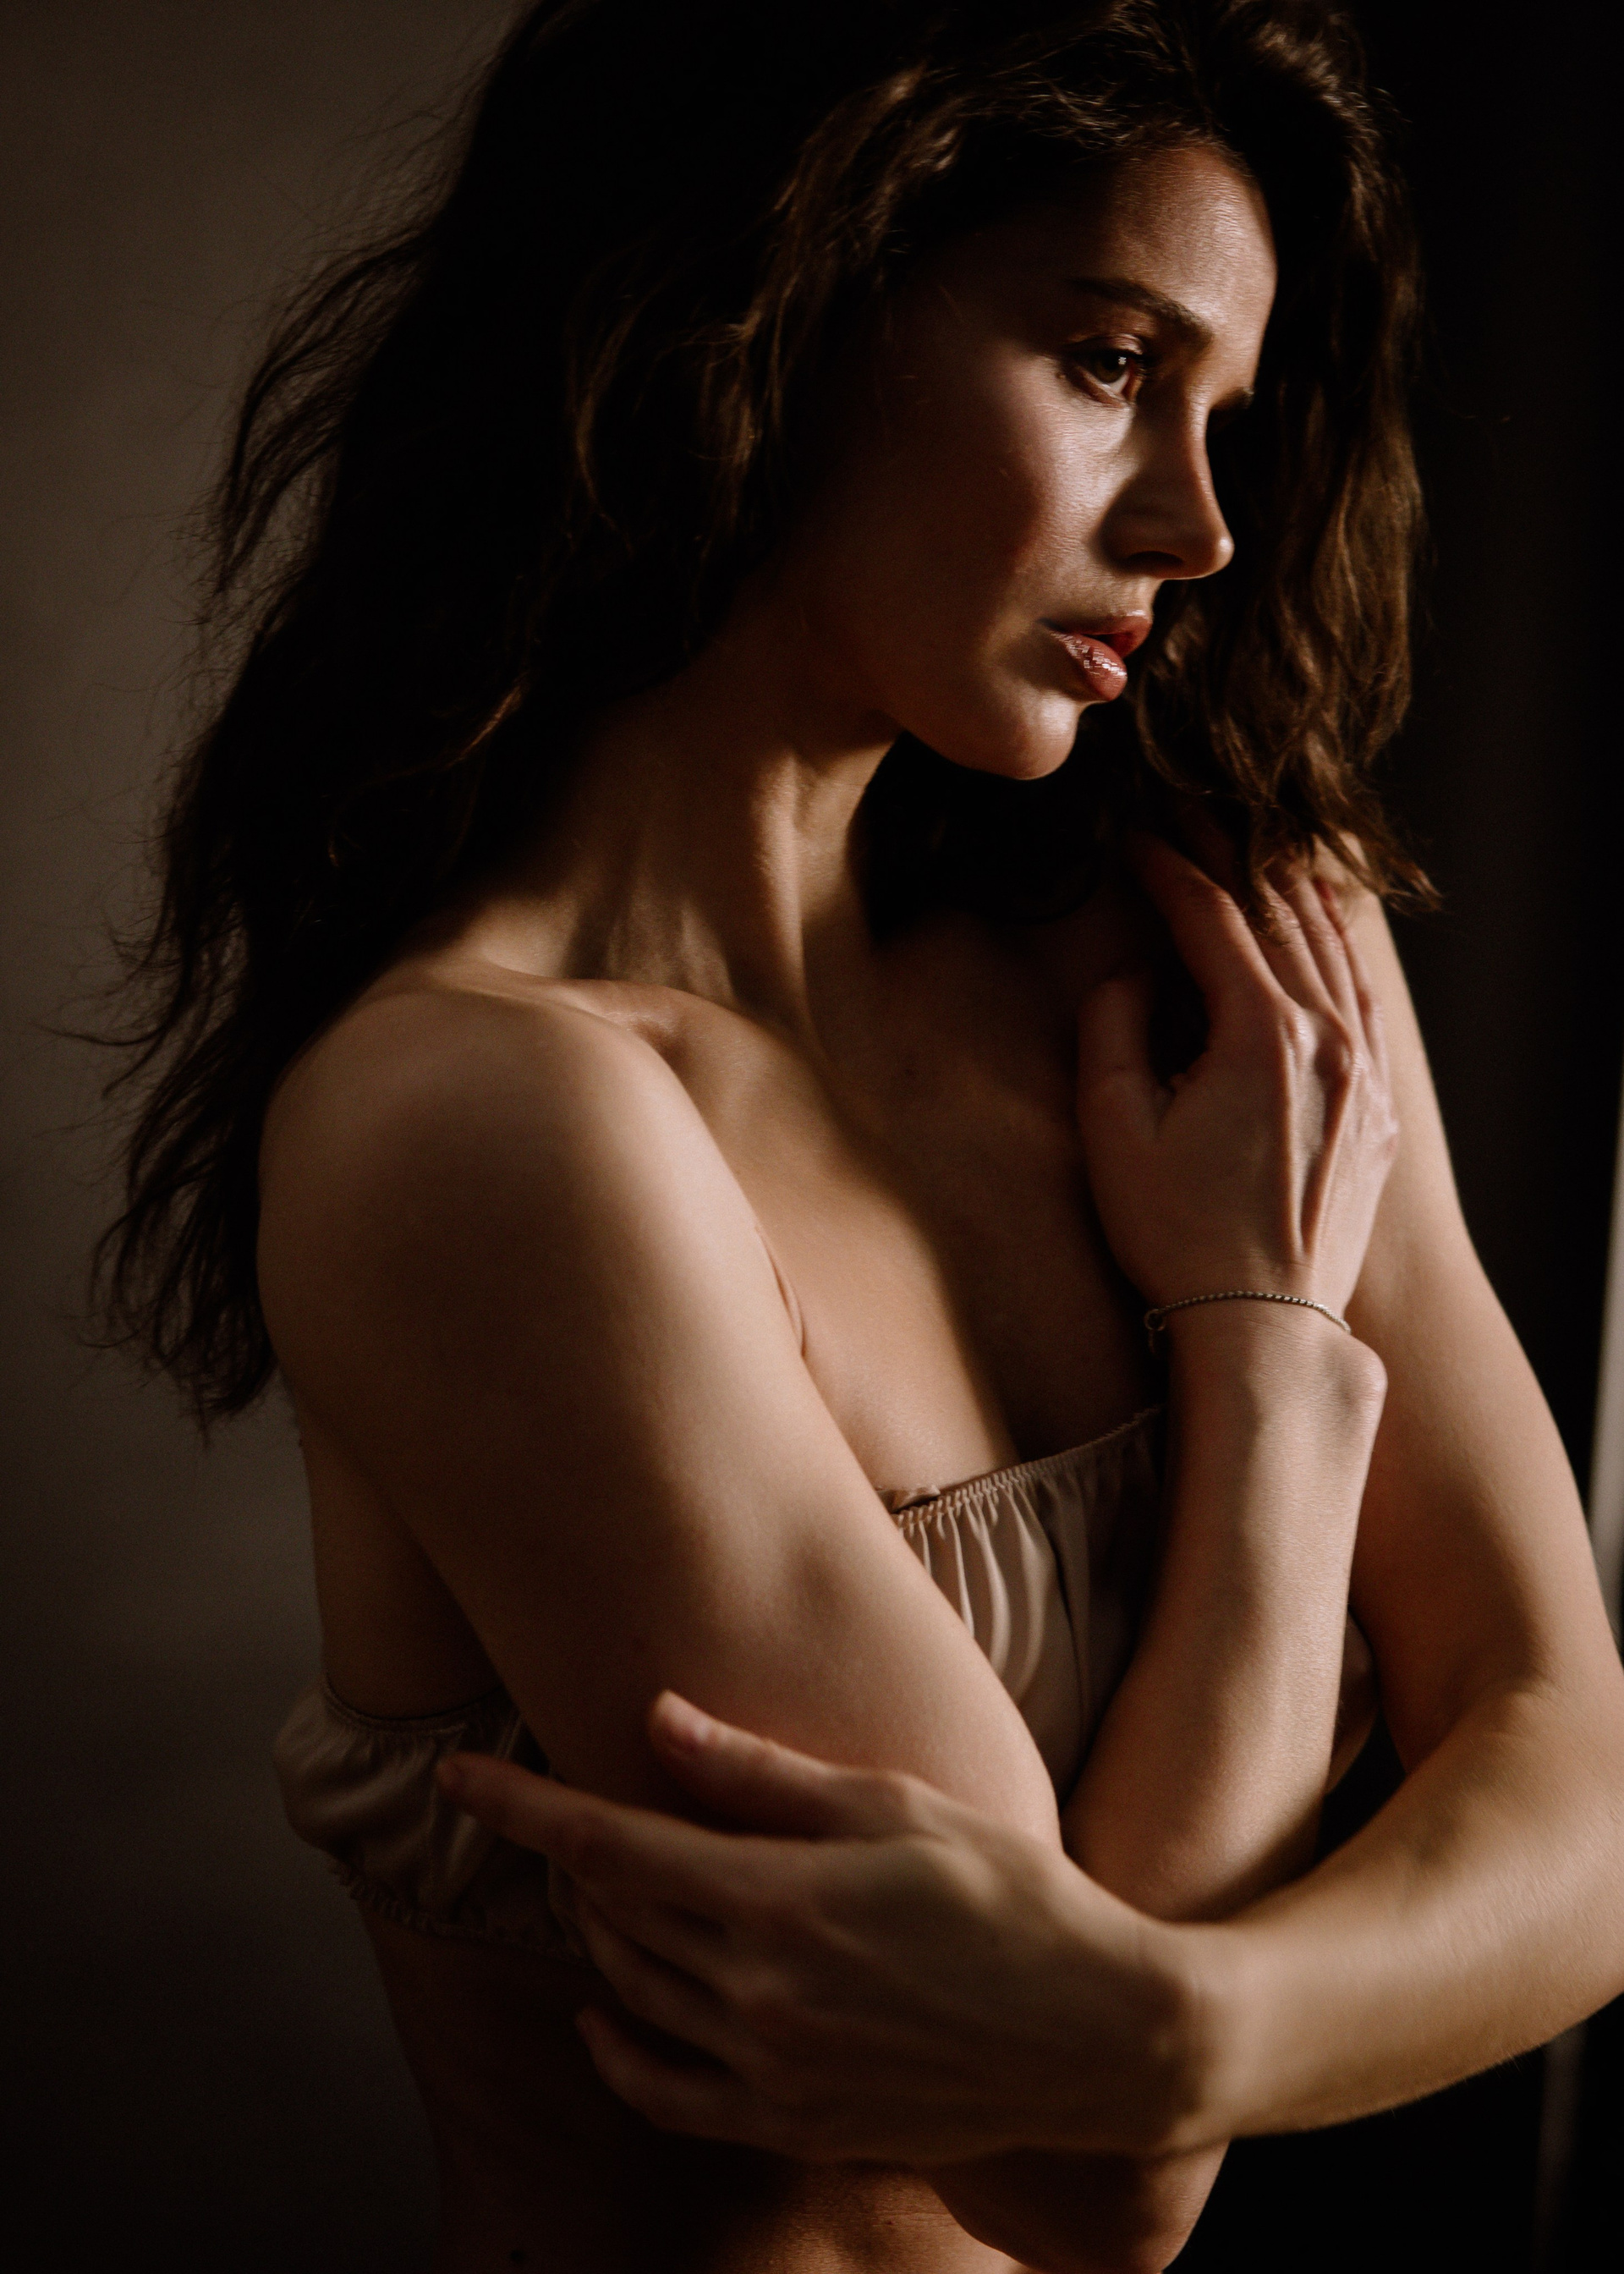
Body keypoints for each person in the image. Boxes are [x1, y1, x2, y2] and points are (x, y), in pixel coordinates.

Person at [99, 3, 1624, 2270]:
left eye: (1224, 414)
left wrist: (1175, 2030)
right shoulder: (480, 1124)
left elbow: (1580, 1795)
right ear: (770, 300)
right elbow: (1086, 2181)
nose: (1201, 524)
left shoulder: (1219, 952)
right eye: (1112, 364)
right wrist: (1272, 1352)